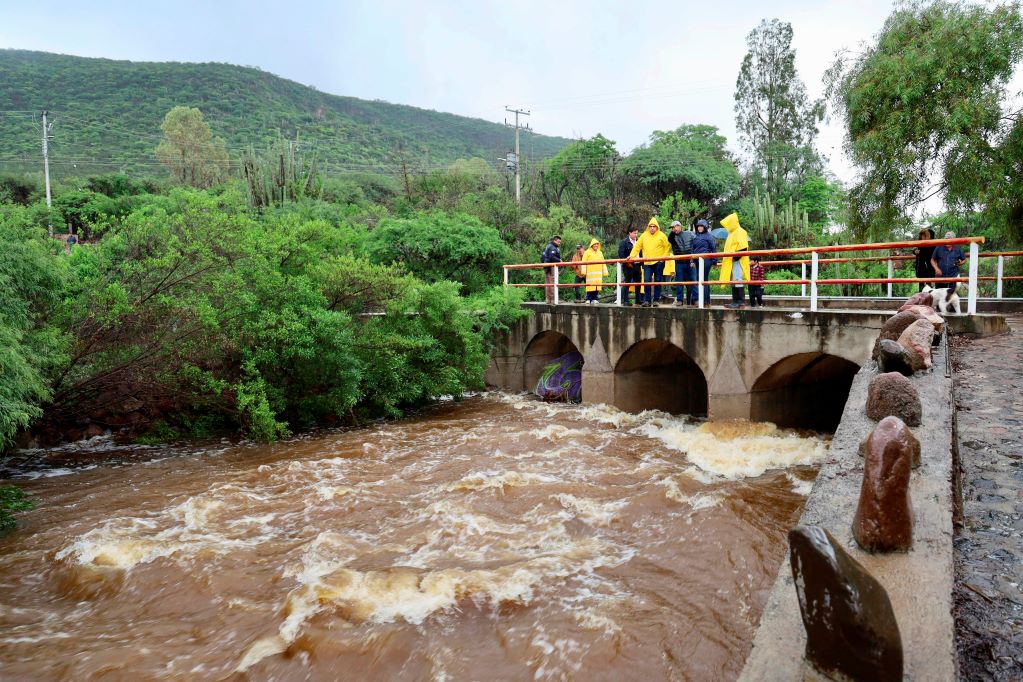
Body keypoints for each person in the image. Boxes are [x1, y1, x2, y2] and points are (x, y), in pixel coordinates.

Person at [628, 217, 672, 307]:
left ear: (657, 227)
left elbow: (667, 247)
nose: (652, 228)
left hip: (659, 263)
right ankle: (647, 301)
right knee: (647, 281)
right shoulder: (644, 235)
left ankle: (656, 300)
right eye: (651, 226)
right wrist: (631, 256)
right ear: (648, 227)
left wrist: (663, 258)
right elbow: (637, 247)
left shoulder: (662, 235)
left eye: (654, 226)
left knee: (657, 280)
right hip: (647, 262)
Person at [718, 212, 750, 309]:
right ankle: (735, 301)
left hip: (738, 260)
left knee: (737, 279)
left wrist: (733, 258)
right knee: (734, 280)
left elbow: (743, 248)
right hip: (732, 260)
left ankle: (740, 302)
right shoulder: (731, 233)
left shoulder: (740, 231)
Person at [667, 220, 696, 306]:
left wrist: (693, 259)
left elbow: (695, 245)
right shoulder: (672, 237)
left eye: (675, 227)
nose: (674, 229)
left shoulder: (690, 234)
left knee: (693, 281)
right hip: (679, 262)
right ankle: (680, 300)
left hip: (690, 261)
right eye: (672, 228)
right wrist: (673, 232)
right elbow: (669, 239)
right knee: (679, 282)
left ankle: (695, 300)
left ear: (679, 226)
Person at [692, 219, 717, 306]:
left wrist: (714, 261)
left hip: (706, 260)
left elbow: (713, 249)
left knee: (704, 279)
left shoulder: (709, 237)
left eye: (701, 226)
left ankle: (705, 301)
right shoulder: (696, 236)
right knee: (700, 280)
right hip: (697, 260)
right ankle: (705, 301)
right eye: (698, 226)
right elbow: (693, 249)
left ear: (705, 227)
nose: (699, 228)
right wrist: (692, 260)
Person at [581, 238, 608, 304]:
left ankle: (595, 298)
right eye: (594, 244)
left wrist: (605, 271)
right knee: (590, 286)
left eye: (597, 244)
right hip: (590, 272)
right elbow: (583, 262)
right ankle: (588, 298)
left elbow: (603, 262)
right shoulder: (587, 252)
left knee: (597, 286)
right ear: (591, 245)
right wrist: (583, 271)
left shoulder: (600, 253)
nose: (596, 245)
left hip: (598, 273)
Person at [618, 228, 641, 306]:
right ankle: (626, 301)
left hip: (638, 265)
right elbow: (621, 254)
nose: (636, 235)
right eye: (634, 233)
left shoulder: (638, 242)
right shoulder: (624, 242)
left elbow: (641, 253)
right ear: (630, 233)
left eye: (637, 233)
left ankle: (638, 300)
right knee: (627, 283)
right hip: (628, 265)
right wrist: (627, 262)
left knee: (638, 283)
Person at [541, 235, 563, 305]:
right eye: (558, 242)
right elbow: (551, 257)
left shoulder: (548, 246)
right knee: (553, 282)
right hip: (552, 267)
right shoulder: (552, 247)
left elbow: (543, 257)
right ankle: (553, 300)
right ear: (554, 241)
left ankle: (548, 300)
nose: (559, 243)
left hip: (547, 266)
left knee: (548, 283)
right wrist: (559, 260)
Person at [913, 227, 936, 291]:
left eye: (923, 235)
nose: (922, 237)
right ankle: (921, 298)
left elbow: (934, 253)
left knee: (929, 285)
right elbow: (915, 250)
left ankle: (929, 298)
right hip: (921, 266)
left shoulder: (932, 243)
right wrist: (915, 251)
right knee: (921, 284)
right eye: (921, 235)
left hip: (929, 266)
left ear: (927, 236)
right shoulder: (919, 243)